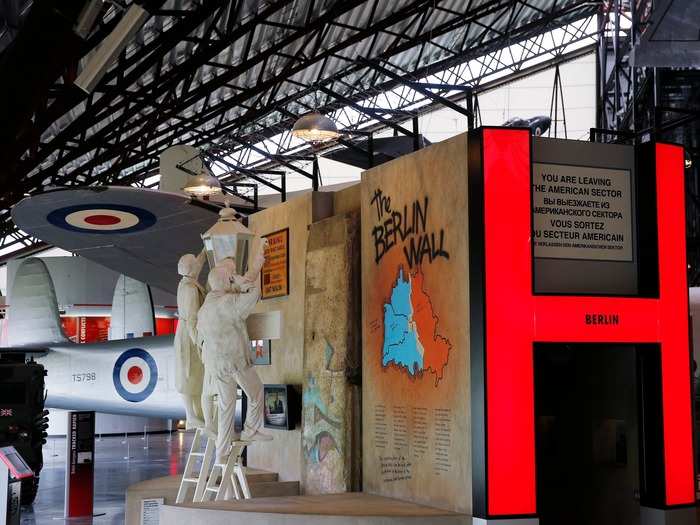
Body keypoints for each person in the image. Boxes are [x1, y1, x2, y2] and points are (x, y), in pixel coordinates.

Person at [197, 240, 271, 464]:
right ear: (227, 280)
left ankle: (221, 455)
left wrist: (255, 266)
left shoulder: (206, 306)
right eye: (232, 274)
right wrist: (241, 280)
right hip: (235, 360)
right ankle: (250, 430)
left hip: (215, 365)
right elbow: (253, 293)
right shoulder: (230, 304)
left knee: (226, 406)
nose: (235, 276)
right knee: (256, 392)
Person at [174, 251, 206, 428]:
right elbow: (192, 318)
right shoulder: (190, 289)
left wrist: (205, 248)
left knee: (193, 375)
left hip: (186, 332)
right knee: (189, 374)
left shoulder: (186, 281)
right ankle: (191, 415)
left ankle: (195, 414)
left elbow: (197, 265)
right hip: (189, 335)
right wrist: (199, 343)